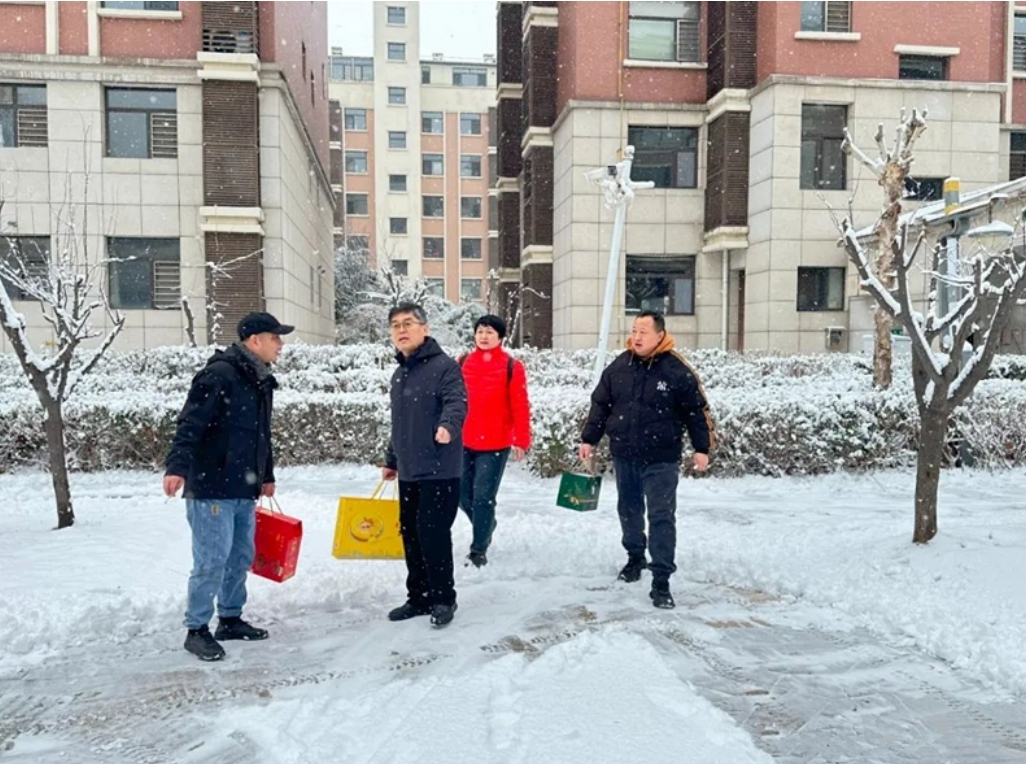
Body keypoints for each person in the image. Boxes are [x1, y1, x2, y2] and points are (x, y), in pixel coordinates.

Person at [163, 311, 292, 661]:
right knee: (212, 560)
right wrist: (176, 467)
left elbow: (261, 435)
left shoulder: (260, 379)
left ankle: (230, 619)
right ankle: (197, 629)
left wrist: (266, 475)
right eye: (275, 337)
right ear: (255, 341)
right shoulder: (218, 375)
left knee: (240, 557)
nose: (280, 344)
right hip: (211, 486)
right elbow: (190, 423)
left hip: (243, 486)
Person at [579, 311, 713, 610]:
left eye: (644, 332)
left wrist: (702, 447)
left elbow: (696, 411)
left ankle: (661, 580)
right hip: (625, 453)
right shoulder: (619, 366)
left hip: (662, 458)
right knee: (628, 510)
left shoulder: (676, 370)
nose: (637, 337)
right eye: (634, 330)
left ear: (659, 335)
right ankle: (635, 556)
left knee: (661, 516)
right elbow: (600, 404)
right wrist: (589, 439)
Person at [382, 302, 468, 628]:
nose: (401, 330)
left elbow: (456, 402)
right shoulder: (399, 373)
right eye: (395, 325)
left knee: (432, 534)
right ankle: (418, 597)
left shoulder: (445, 367)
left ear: (425, 328)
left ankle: (444, 598)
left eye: (408, 323)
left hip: (440, 468)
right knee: (411, 534)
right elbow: (399, 422)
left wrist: (448, 425)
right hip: (409, 469)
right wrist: (392, 459)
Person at [458, 314, 531, 568]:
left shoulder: (512, 366)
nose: (484, 336)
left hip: (494, 444)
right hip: (462, 441)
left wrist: (521, 439)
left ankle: (478, 549)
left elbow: (520, 405)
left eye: (489, 332)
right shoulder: (463, 362)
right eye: (480, 331)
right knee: (461, 495)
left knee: (482, 498)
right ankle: (486, 522)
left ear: (500, 337)